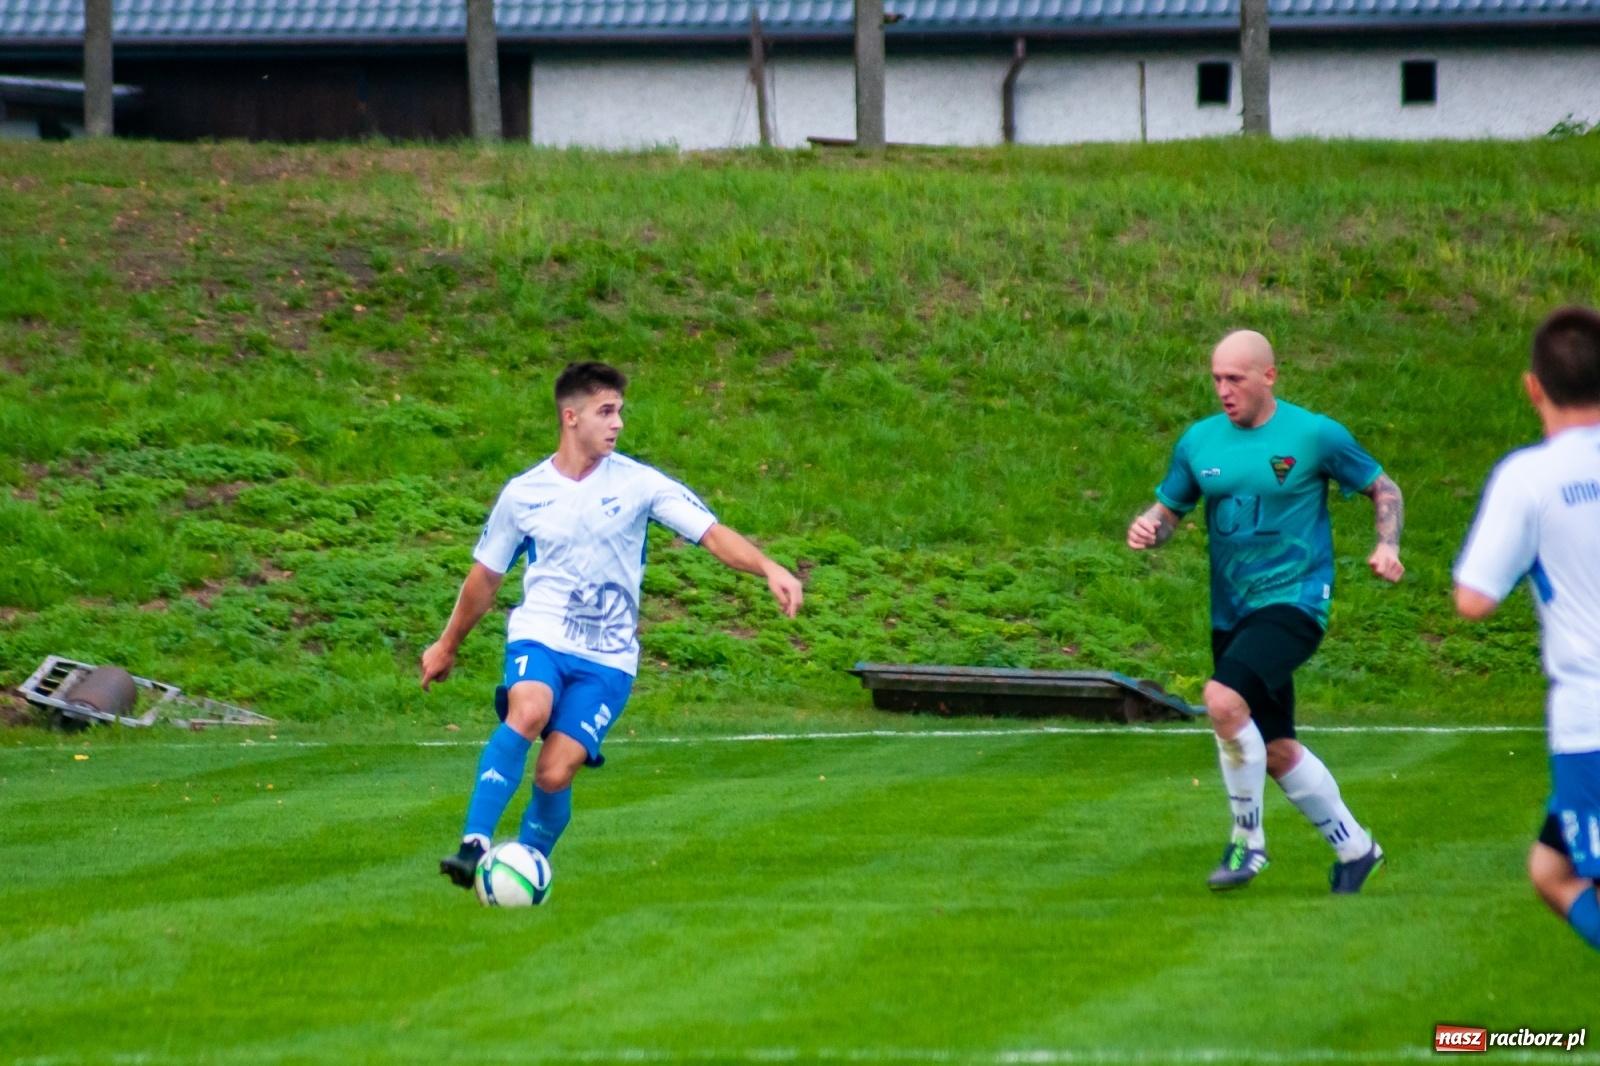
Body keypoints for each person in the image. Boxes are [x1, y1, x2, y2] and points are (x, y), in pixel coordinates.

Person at [423, 361, 804, 888]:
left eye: (620, 411)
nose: (618, 423)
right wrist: (447, 645)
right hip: (543, 635)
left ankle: (523, 871)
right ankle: (474, 844)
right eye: (607, 411)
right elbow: (485, 577)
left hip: (607, 659)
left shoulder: (641, 485)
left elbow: (712, 534)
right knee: (528, 709)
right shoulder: (523, 493)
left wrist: (767, 566)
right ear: (571, 416)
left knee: (555, 772)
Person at [1126, 329, 1403, 893]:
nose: (1223, 390)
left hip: (1296, 602)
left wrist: (1387, 543)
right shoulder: (1199, 442)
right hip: (1233, 612)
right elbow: (1170, 512)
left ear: (1268, 376)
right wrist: (1150, 529)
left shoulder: (1314, 434)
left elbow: (1383, 487)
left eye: (1235, 378)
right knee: (1274, 749)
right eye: (1216, 379)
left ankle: (1247, 845)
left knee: (1222, 700)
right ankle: (1356, 849)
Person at [1454, 306, 1600, 952]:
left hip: (1591, 719)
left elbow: (1474, 599)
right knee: (1551, 868)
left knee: (1568, 874)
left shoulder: (1530, 477)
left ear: (1533, 387)